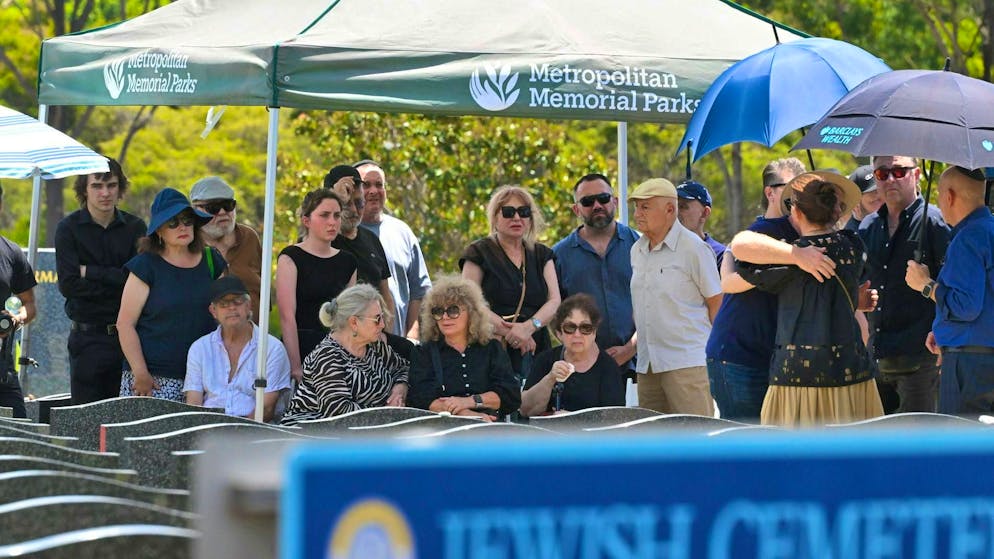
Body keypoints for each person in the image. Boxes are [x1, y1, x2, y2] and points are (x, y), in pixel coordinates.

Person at [732, 172, 883, 427]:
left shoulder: (788, 261)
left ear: (797, 213)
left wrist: (794, 253)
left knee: (795, 461)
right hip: (851, 372)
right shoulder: (852, 246)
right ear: (836, 211)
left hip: (796, 379)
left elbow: (739, 245)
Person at [707, 159, 808, 420]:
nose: (797, 195)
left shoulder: (801, 232)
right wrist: (793, 259)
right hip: (738, 359)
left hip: (771, 360)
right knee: (744, 447)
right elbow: (731, 274)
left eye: (803, 188)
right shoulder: (761, 232)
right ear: (770, 192)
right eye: (790, 188)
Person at [858, 156, 949, 414]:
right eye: (881, 173)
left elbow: (952, 292)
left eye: (898, 171)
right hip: (877, 359)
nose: (889, 179)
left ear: (917, 174)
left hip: (921, 361)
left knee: (919, 450)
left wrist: (927, 283)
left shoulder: (934, 222)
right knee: (879, 451)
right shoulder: (868, 226)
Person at [117, 188, 225, 401]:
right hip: (153, 380)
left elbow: (229, 309)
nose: (182, 227)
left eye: (187, 220)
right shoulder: (145, 266)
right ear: (159, 231)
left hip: (205, 377)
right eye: (173, 222)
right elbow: (125, 324)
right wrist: (140, 373)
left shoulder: (212, 260)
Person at [55, 158, 145, 404]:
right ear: (84, 189)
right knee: (85, 421)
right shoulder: (68, 229)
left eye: (112, 185)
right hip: (87, 338)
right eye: (97, 185)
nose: (105, 193)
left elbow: (137, 283)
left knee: (125, 419)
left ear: (120, 188)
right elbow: (69, 285)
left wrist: (90, 272)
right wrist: (117, 279)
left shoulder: (136, 228)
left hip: (129, 339)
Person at [906, 166, 994, 415]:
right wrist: (945, 333)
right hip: (979, 357)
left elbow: (966, 306)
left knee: (964, 448)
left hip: (970, 367)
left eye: (938, 193)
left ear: (950, 196)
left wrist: (926, 285)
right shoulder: (988, 230)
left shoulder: (968, 238)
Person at [629, 178, 722, 415]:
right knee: (654, 445)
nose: (637, 214)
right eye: (636, 207)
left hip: (687, 364)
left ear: (670, 209)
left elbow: (717, 305)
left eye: (645, 207)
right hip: (648, 365)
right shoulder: (637, 250)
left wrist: (716, 360)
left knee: (696, 444)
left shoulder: (694, 249)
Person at [460, 185, 562, 381]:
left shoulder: (542, 254)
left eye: (523, 212)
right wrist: (512, 332)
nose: (517, 218)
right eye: (508, 212)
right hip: (491, 345)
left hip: (535, 346)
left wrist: (529, 328)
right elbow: (469, 302)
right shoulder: (478, 252)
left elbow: (554, 301)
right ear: (495, 217)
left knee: (535, 406)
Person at [280, 284, 409, 425]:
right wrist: (387, 413)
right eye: (377, 319)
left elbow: (402, 368)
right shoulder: (327, 358)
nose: (383, 325)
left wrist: (400, 388)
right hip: (313, 438)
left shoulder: (373, 345)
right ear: (354, 322)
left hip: (366, 436)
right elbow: (341, 415)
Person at [552, 173, 639, 381]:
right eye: (588, 201)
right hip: (580, 368)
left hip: (640, 364)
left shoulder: (641, 246)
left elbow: (655, 306)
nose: (597, 205)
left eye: (604, 198)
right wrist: (582, 351)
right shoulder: (558, 256)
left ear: (615, 201)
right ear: (576, 209)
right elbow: (554, 314)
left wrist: (630, 348)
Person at [406, 275, 520, 421]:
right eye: (438, 311)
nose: (445, 317)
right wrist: (468, 415)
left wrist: (468, 402)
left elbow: (510, 396)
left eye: (453, 310)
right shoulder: (424, 353)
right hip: (445, 432)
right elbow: (421, 399)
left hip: (491, 432)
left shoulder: (491, 349)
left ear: (471, 313)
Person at [276, 189, 357, 383]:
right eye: (324, 215)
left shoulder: (348, 261)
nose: (332, 222)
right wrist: (295, 366)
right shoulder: (290, 257)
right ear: (306, 221)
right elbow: (287, 317)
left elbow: (350, 316)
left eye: (337, 216)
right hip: (300, 346)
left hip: (336, 351)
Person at [184, 277, 291, 422]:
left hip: (254, 430)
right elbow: (193, 404)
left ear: (248, 306)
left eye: (237, 301)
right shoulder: (199, 348)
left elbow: (267, 408)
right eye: (224, 303)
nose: (232, 307)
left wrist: (237, 434)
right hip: (208, 429)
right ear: (213, 311)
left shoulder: (272, 348)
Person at [355, 159, 432, 338]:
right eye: (366, 185)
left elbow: (419, 292)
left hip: (399, 345)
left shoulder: (402, 232)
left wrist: (411, 338)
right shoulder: (344, 234)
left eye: (379, 185)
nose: (373, 191)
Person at [520, 294, 625, 416]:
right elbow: (525, 410)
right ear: (559, 333)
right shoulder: (545, 360)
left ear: (594, 333)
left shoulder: (608, 366)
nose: (577, 334)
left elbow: (614, 419)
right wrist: (550, 379)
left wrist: (571, 419)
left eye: (585, 328)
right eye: (570, 327)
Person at [325, 164, 397, 333]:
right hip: (331, 340)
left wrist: (385, 335)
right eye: (345, 203)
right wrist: (334, 198)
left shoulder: (371, 239)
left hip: (372, 339)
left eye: (359, 203)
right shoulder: (321, 239)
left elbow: (385, 295)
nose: (353, 210)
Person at [190, 176, 263, 320]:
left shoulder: (249, 237)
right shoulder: (187, 244)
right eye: (213, 208)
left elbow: (262, 291)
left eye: (228, 205)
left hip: (254, 336)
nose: (223, 212)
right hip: (204, 339)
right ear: (195, 210)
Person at [0, 182, 36, 417]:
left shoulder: (11, 252)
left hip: (2, 369)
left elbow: (30, 305)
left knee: (21, 433)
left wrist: (17, 319)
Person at [676, 180, 725, 265]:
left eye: (682, 206)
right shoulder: (661, 251)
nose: (675, 213)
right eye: (672, 207)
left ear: (704, 213)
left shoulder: (720, 256)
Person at [843, 165, 883, 230]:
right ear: (856, 203)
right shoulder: (851, 235)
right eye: (875, 201)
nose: (878, 194)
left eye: (880, 189)